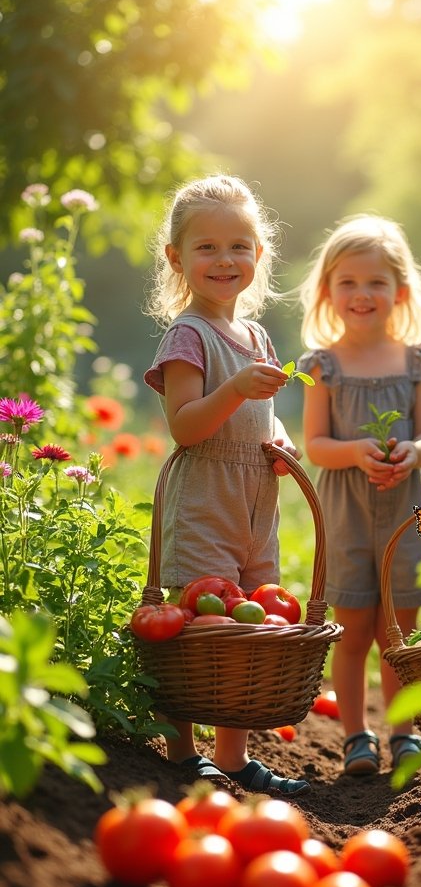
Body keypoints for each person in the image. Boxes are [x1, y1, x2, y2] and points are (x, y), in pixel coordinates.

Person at [143, 173, 309, 795]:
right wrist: (236, 388)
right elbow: (187, 426)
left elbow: (260, 414)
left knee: (245, 623)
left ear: (259, 255)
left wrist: (280, 440)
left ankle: (233, 755)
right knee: (195, 622)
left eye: (239, 245)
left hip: (254, 504)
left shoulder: (258, 336)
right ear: (177, 259)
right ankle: (183, 748)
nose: (223, 259)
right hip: (207, 499)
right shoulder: (188, 336)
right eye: (206, 246)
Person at [297, 214, 421, 776]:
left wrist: (416, 451)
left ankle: (403, 733)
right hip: (347, 513)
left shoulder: (416, 361)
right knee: (354, 630)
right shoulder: (323, 366)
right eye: (348, 282)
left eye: (376, 282)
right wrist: (356, 450)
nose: (362, 294)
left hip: (407, 510)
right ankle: (357, 735)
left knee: (398, 634)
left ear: (399, 291)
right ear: (328, 291)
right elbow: (315, 445)